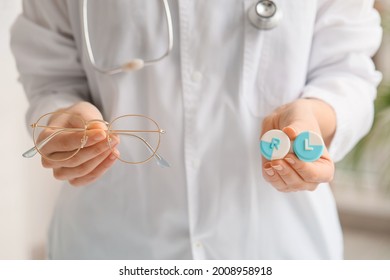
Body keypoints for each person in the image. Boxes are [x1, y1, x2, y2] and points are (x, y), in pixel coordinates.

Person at [11, 0, 382, 259]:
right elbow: (49, 77)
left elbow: (347, 69)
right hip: (111, 243)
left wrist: (314, 119)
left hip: (277, 246)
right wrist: (59, 121)